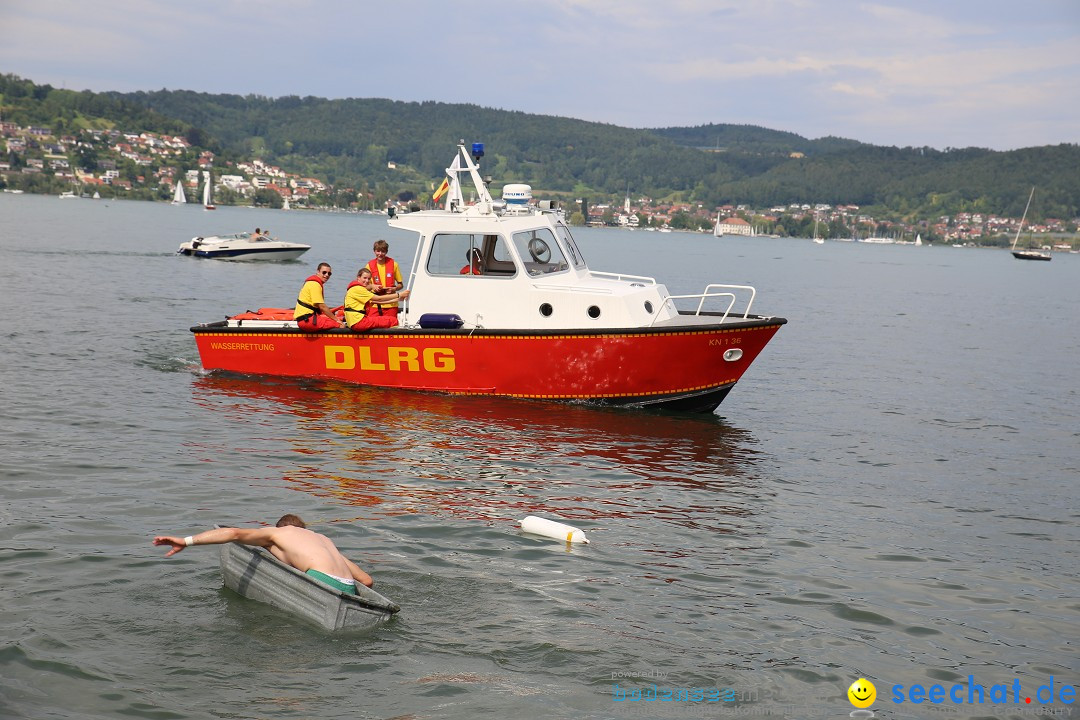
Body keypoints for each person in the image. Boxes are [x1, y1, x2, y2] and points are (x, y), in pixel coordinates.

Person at [153, 514, 373, 593]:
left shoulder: (277, 534)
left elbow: (233, 533)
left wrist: (186, 541)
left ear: (279, 528)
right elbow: (366, 580)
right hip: (349, 588)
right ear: (304, 529)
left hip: (322, 581)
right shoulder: (324, 539)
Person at [343, 267, 410, 331]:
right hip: (358, 322)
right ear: (358, 277)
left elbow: (376, 302)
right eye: (364, 278)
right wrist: (399, 294)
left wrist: (398, 299)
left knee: (387, 319)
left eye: (369, 279)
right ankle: (390, 341)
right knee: (393, 320)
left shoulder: (357, 289)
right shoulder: (358, 289)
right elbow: (378, 298)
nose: (367, 281)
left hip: (355, 322)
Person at [294, 262, 344, 331]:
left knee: (329, 320)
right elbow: (322, 307)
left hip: (305, 319)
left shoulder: (312, 282)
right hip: (307, 321)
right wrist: (337, 320)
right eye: (324, 272)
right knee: (339, 325)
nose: (326, 275)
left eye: (329, 273)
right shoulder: (315, 284)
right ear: (318, 272)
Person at [366, 239, 404, 322]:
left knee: (391, 328)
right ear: (374, 251)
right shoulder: (369, 266)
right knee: (373, 329)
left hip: (391, 304)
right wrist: (373, 286)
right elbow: (365, 286)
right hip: (375, 304)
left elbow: (401, 285)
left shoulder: (394, 264)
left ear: (386, 252)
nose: (380, 254)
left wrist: (394, 289)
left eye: (383, 251)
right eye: (378, 251)